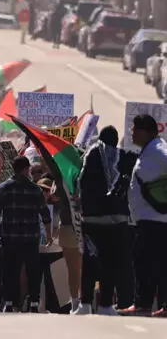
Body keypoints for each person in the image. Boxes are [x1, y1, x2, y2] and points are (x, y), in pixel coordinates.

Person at [74, 126, 130, 316]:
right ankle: (106, 304)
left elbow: (80, 181)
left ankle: (86, 303)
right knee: (110, 263)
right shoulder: (124, 157)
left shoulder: (92, 155)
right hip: (117, 221)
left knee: (90, 261)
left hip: (92, 220)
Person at [0, 156, 52, 313]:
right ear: (25, 170)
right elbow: (45, 215)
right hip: (31, 237)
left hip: (10, 237)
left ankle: (9, 302)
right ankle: (34, 303)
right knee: (32, 271)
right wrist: (49, 236)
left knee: (10, 270)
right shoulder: (35, 190)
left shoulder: (3, 188)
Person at [119, 114, 167, 317]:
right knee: (156, 263)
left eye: (135, 129)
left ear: (146, 132)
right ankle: (154, 304)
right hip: (151, 219)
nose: (132, 133)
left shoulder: (158, 151)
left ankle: (143, 304)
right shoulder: (152, 150)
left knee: (145, 262)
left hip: (154, 220)